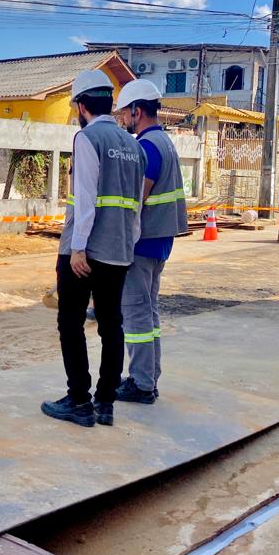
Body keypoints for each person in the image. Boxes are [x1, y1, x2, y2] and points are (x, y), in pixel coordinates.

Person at [41, 69, 145, 428]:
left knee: (70, 323)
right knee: (111, 325)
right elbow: (135, 206)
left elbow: (85, 198)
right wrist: (129, 244)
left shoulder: (87, 138)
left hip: (85, 251)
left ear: (82, 105)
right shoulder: (134, 145)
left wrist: (79, 249)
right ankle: (105, 404)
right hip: (119, 250)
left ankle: (79, 401)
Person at [113, 80, 188, 404]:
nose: (123, 121)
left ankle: (142, 384)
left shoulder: (146, 148)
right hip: (160, 241)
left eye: (124, 114)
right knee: (150, 311)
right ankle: (149, 378)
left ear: (136, 110)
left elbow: (135, 202)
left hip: (142, 244)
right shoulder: (165, 142)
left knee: (136, 314)